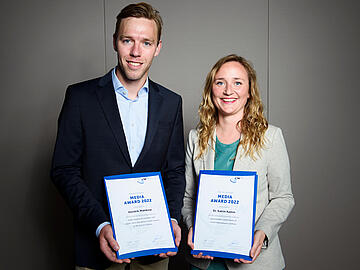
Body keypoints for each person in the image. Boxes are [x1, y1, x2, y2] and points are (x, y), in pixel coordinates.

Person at [51, 2, 185, 270]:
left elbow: (174, 170)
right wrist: (99, 225)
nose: (136, 52)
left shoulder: (171, 103)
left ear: (158, 47)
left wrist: (170, 218)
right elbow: (64, 170)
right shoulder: (80, 98)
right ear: (115, 42)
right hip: (96, 247)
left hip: (153, 251)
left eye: (146, 43)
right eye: (128, 40)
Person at [181, 54, 295, 270]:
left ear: (249, 91)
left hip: (255, 261)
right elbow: (188, 197)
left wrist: (262, 233)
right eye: (220, 82)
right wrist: (191, 226)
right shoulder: (196, 137)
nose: (228, 90)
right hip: (203, 260)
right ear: (210, 89)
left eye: (238, 83)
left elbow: (283, 197)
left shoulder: (270, 137)